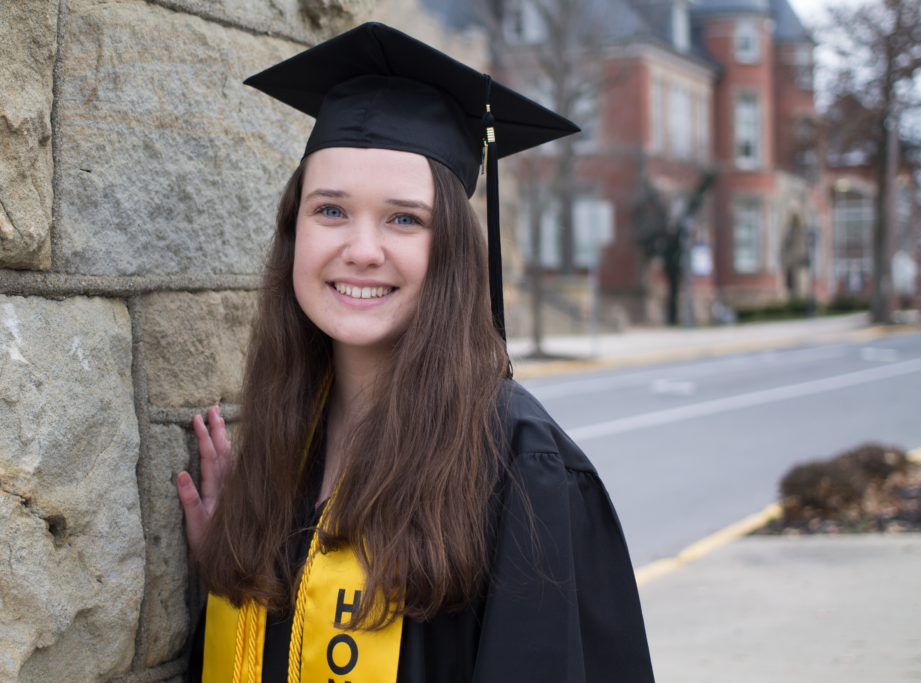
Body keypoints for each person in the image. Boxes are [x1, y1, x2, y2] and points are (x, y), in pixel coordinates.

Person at [177, 22, 654, 683]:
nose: (362, 249)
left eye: (404, 218)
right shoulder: (283, 443)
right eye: (331, 210)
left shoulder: (518, 467)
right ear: (294, 234)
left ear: (452, 250)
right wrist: (235, 574)